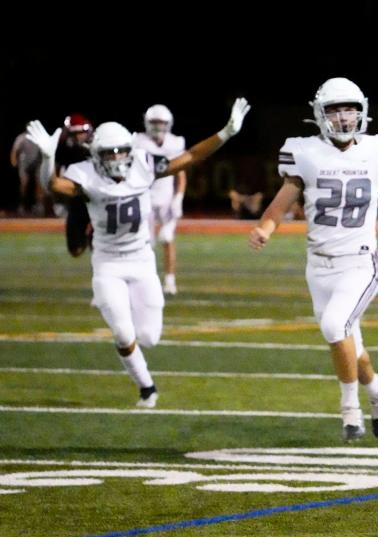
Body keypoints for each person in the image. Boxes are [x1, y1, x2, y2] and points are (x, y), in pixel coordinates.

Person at [26, 98, 251, 408]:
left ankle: (129, 322)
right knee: (122, 332)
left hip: (143, 262)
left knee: (149, 337)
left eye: (121, 151)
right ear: (96, 155)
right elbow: (53, 186)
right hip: (107, 265)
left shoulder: (144, 163)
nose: (117, 158)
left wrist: (226, 132)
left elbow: (189, 157)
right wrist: (47, 158)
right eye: (109, 153)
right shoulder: (85, 173)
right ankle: (147, 388)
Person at [248, 78, 378, 441]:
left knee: (335, 327)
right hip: (318, 265)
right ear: (320, 115)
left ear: (362, 111)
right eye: (334, 110)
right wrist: (265, 227)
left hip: (360, 262)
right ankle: (377, 391)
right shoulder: (304, 152)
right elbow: (284, 199)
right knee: (352, 344)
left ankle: (350, 412)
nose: (343, 117)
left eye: (349, 109)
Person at [133, 105, 187, 295]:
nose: (157, 126)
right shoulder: (138, 141)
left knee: (167, 237)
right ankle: (146, 281)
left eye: (161, 122)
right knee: (145, 243)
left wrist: (178, 197)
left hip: (166, 198)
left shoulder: (175, 143)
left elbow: (181, 174)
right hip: (144, 198)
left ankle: (170, 281)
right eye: (154, 122)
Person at [57, 113, 95, 257]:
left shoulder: (97, 146)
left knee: (99, 247)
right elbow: (57, 172)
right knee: (76, 250)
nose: (80, 136)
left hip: (96, 198)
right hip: (76, 200)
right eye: (76, 133)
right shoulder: (63, 148)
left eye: (82, 132)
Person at [10, 131, 45, 216]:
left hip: (37, 162)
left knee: (39, 184)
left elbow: (45, 150)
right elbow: (14, 150)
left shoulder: (40, 137)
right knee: (24, 184)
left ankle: (39, 206)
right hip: (24, 163)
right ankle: (22, 206)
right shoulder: (22, 137)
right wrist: (13, 161)